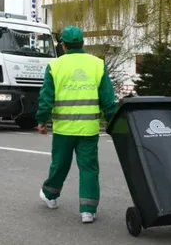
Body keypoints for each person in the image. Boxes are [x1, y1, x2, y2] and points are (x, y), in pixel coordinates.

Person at [35, 25, 118, 223]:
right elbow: (108, 99)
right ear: (82, 43)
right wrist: (115, 122)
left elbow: (46, 97)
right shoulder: (97, 64)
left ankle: (50, 196)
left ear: (63, 45)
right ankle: (88, 210)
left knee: (60, 165)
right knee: (89, 168)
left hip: (64, 129)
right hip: (89, 129)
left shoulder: (55, 66)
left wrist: (41, 120)